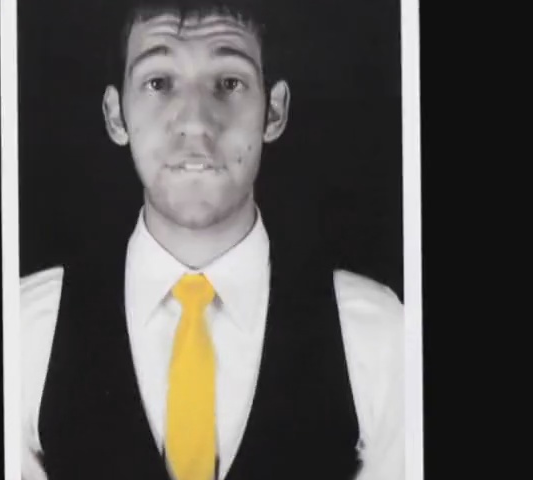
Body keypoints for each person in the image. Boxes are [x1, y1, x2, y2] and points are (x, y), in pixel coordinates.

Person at [20, 1, 405, 479]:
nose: (196, 122)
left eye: (229, 82)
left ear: (274, 111)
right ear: (116, 115)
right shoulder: (25, 333)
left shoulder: (376, 336)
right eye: (159, 83)